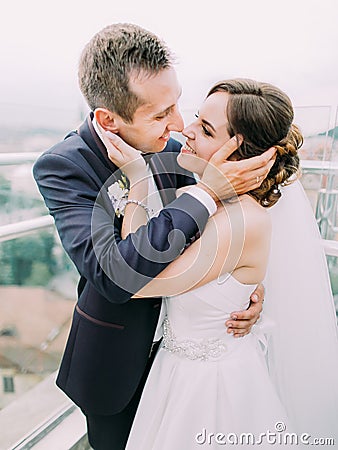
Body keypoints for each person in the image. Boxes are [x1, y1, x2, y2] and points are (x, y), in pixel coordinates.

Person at [32, 24, 275, 450]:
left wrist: (244, 289)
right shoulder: (64, 167)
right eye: (161, 114)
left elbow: (229, 229)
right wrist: (204, 193)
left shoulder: (176, 147)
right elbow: (112, 275)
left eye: (177, 104)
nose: (179, 124)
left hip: (195, 360)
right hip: (115, 361)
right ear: (109, 119)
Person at [103, 78, 338, 449]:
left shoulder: (239, 222)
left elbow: (136, 280)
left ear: (238, 155)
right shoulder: (204, 199)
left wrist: (137, 182)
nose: (186, 131)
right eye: (197, 117)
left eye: (206, 129)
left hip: (207, 388)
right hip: (175, 370)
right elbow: (143, 251)